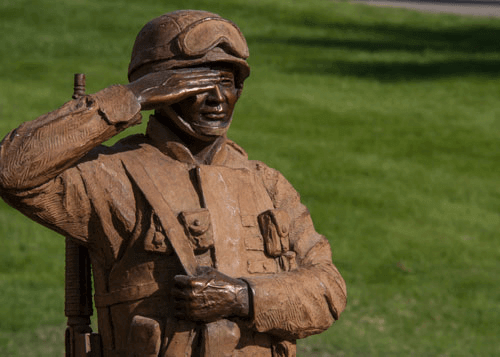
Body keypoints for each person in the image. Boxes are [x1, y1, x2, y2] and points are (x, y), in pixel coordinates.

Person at [0, 10, 346, 357]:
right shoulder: (111, 176)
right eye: (197, 83)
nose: (216, 98)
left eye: (226, 82)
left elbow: (328, 289)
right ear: (159, 89)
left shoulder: (266, 184)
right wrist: (128, 99)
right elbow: (12, 172)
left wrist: (242, 297)